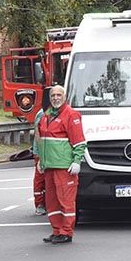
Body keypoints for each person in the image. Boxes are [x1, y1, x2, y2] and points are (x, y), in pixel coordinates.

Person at [35, 85, 86, 243]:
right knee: (52, 202)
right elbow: (41, 141)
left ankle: (66, 232)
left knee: (66, 201)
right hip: (49, 166)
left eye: (59, 95)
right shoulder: (46, 115)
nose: (56, 98)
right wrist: (40, 161)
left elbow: (79, 142)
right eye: (53, 95)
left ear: (64, 96)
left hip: (64, 167)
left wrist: (77, 161)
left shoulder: (71, 115)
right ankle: (57, 230)